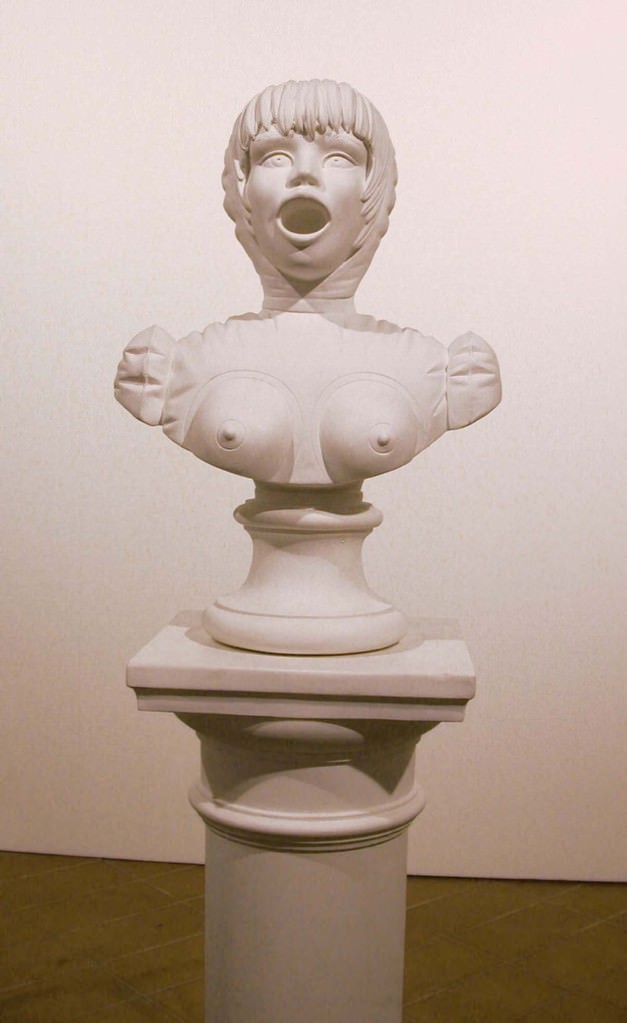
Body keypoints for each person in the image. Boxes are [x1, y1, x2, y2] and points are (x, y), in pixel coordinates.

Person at [115, 79, 501, 487]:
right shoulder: (176, 367)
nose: (304, 173)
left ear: (373, 188)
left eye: (339, 158)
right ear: (242, 187)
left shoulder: (436, 371)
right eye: (275, 157)